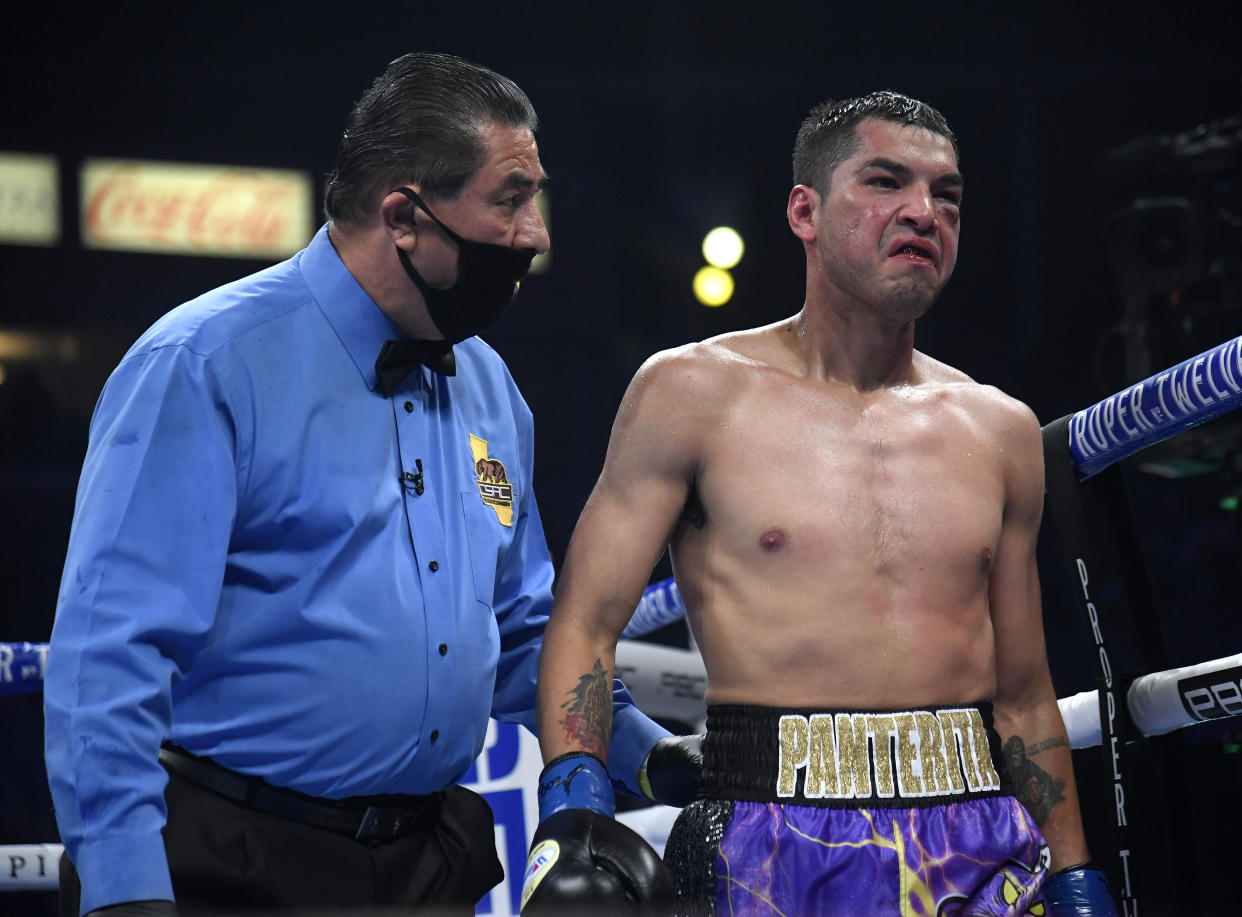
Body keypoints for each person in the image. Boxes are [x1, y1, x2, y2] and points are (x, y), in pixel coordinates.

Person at [44, 52, 696, 917]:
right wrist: (125, 891)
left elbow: (524, 630)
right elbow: (107, 656)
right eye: (510, 198)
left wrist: (644, 752)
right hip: (231, 865)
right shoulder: (203, 363)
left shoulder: (490, 387)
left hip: (429, 866)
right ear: (403, 216)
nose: (537, 233)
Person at [523, 92, 1118, 915]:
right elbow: (585, 622)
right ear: (804, 210)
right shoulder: (690, 393)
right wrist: (575, 815)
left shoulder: (1002, 429)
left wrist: (1076, 873)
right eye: (885, 182)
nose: (923, 212)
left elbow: (1021, 692)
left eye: (947, 195)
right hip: (766, 836)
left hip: (981, 840)